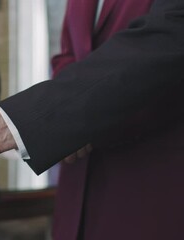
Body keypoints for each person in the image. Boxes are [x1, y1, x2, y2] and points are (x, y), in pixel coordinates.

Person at [0, 0, 184, 239]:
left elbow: (166, 39)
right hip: (76, 195)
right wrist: (68, 123)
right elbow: (69, 53)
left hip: (150, 193)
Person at [51, 0, 161, 239]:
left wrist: (83, 118)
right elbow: (67, 54)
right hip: (77, 184)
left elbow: (157, 57)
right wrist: (68, 118)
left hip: (146, 183)